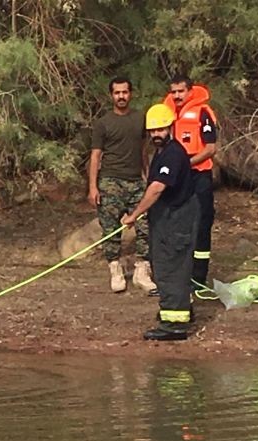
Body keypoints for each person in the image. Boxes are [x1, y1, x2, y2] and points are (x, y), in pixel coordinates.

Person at [121, 104, 199, 341]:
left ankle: (174, 326)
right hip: (169, 217)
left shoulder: (173, 154)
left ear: (171, 127)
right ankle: (181, 310)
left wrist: (134, 215)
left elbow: (156, 189)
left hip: (177, 218)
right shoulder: (163, 153)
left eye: (161, 129)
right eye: (152, 130)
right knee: (170, 264)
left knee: (170, 268)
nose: (156, 134)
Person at [88, 76, 156, 293]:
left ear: (130, 93)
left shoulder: (140, 119)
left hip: (136, 181)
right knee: (110, 228)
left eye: (125, 92)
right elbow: (96, 156)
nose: (121, 96)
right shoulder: (103, 123)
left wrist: (148, 177)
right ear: (111, 96)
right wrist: (93, 187)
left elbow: (143, 150)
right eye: (117, 93)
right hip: (110, 181)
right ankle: (115, 269)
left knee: (145, 224)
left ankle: (142, 269)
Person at [163, 75, 217, 289]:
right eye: (173, 92)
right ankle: (177, 273)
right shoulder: (167, 113)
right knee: (175, 224)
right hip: (177, 178)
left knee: (202, 224)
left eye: (181, 91)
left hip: (199, 176)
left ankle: (198, 278)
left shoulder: (203, 112)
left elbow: (211, 148)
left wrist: (187, 163)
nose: (177, 96)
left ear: (190, 91)